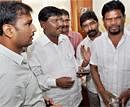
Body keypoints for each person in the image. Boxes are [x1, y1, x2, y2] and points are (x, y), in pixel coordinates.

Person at [28, 6, 82, 107]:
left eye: (60, 20)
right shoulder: (34, 48)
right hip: (57, 102)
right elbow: (36, 79)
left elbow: (73, 63)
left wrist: (80, 68)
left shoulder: (65, 39)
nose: (61, 24)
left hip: (76, 98)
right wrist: (56, 82)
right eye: (55, 21)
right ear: (43, 24)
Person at [0, 1, 45, 107]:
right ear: (9, 30)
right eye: (28, 24)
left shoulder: (15, 56)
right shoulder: (8, 73)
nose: (34, 29)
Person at [90, 0, 130, 107]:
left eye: (117, 18)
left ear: (124, 18)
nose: (113, 23)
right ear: (103, 21)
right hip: (106, 101)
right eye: (108, 19)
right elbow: (93, 68)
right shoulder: (97, 43)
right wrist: (102, 92)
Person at [76, 10, 101, 107]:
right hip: (93, 90)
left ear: (97, 22)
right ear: (82, 28)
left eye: (92, 23)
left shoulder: (110, 39)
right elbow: (79, 73)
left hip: (111, 88)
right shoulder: (82, 46)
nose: (90, 28)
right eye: (85, 26)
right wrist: (85, 64)